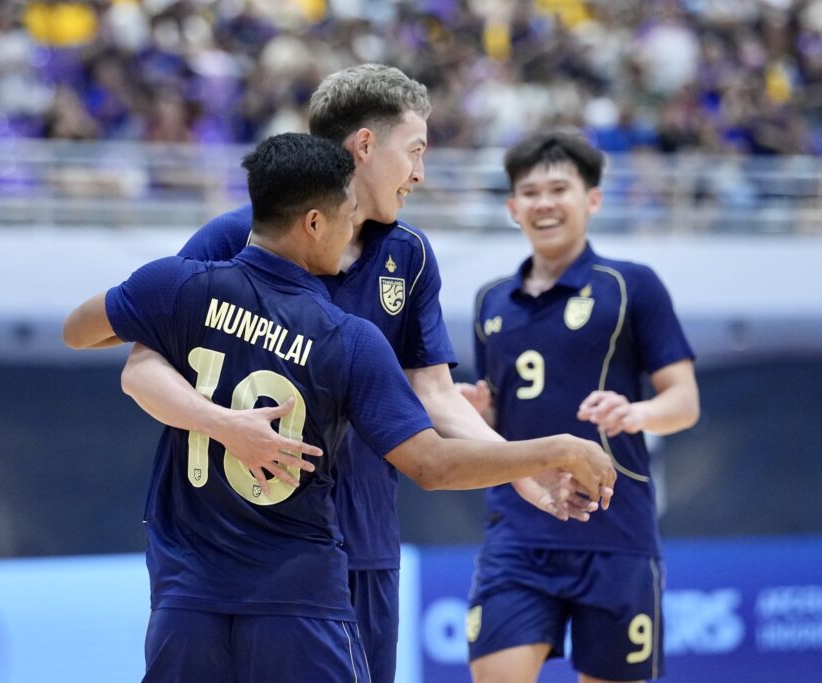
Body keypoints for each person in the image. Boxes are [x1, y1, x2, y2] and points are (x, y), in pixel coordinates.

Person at [109, 63, 605, 683]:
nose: (420, 173)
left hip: (362, 540)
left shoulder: (409, 254)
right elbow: (143, 366)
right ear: (365, 146)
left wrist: (521, 470)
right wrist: (224, 424)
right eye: (415, 151)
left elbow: (435, 394)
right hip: (233, 546)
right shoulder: (241, 235)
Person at [461, 131, 700, 683]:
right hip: (518, 533)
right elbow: (498, 424)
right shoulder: (490, 301)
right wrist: (479, 414)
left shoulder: (631, 285)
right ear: (512, 207)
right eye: (530, 192)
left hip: (615, 534)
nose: (544, 203)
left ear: (592, 199)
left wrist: (637, 413)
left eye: (558, 189)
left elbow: (684, 400)